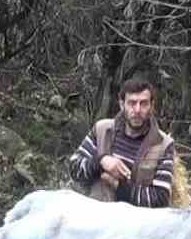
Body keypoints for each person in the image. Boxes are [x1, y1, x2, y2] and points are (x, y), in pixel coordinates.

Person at [68, 76, 178, 208]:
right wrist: (101, 162)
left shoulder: (163, 145)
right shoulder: (102, 130)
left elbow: (160, 200)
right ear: (121, 104)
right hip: (93, 219)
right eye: (132, 103)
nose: (137, 110)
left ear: (152, 106)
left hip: (135, 226)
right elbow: (74, 169)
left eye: (143, 103)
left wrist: (118, 186)